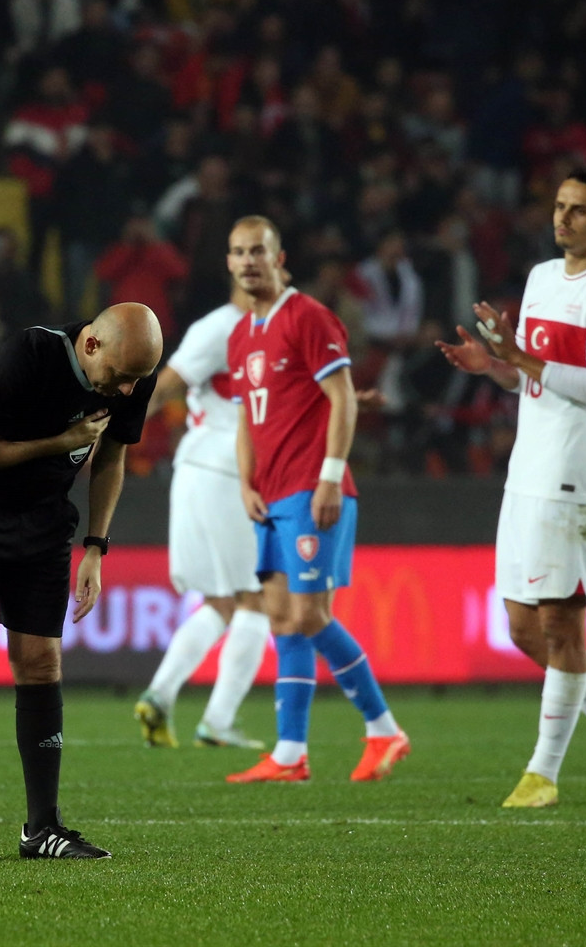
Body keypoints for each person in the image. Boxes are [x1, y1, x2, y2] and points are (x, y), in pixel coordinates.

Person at [436, 165, 586, 808]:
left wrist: (520, 358)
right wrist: (496, 367)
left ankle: (542, 775)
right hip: (528, 470)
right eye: (560, 207)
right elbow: (533, 379)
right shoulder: (541, 279)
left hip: (577, 475)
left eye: (580, 210)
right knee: (520, 628)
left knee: (563, 627)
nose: (563, 219)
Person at [0, 302, 163, 860]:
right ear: (92, 346)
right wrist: (61, 442)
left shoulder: (134, 371)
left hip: (44, 521)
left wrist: (97, 548)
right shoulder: (29, 356)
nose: (127, 392)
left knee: (40, 660)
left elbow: (111, 458)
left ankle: (43, 828)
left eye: (138, 381)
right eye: (121, 377)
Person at [223, 215, 410, 784]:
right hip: (270, 493)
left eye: (259, 251)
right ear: (228, 264)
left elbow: (343, 398)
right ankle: (289, 754)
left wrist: (330, 477)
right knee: (282, 617)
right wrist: (245, 483)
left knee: (309, 613)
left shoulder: (308, 317)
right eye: (238, 252)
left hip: (312, 487)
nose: (248, 261)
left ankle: (383, 730)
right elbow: (246, 420)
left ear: (280, 260)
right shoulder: (240, 335)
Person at [133, 280, 270, 751]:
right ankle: (218, 720)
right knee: (259, 598)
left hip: (200, 466)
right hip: (227, 469)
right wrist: (114, 435)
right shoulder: (221, 327)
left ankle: (160, 695)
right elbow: (166, 384)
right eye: (244, 254)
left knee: (221, 601)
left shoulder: (262, 327)